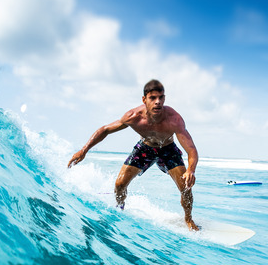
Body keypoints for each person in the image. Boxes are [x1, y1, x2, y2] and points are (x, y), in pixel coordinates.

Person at [67, 79, 199, 231]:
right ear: (144, 100)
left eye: (161, 98)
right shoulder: (133, 116)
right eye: (152, 98)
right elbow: (105, 129)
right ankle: (120, 208)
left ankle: (188, 219)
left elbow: (191, 149)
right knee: (119, 184)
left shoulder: (174, 119)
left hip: (168, 149)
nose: (157, 102)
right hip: (145, 148)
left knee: (186, 187)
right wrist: (84, 150)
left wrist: (191, 170)